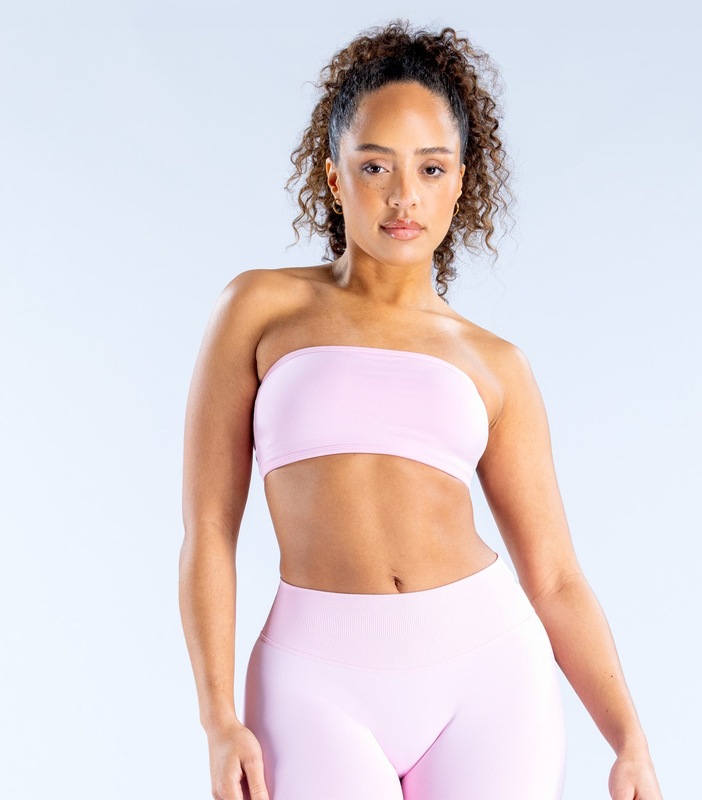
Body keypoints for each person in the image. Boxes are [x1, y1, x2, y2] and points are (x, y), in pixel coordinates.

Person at [179, 18, 663, 800]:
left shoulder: (495, 363)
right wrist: (216, 719)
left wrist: (629, 739)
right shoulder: (259, 308)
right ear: (334, 175)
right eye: (376, 165)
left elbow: (554, 578)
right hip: (312, 681)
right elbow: (208, 528)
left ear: (460, 181)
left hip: (488, 676)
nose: (404, 195)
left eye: (431, 168)